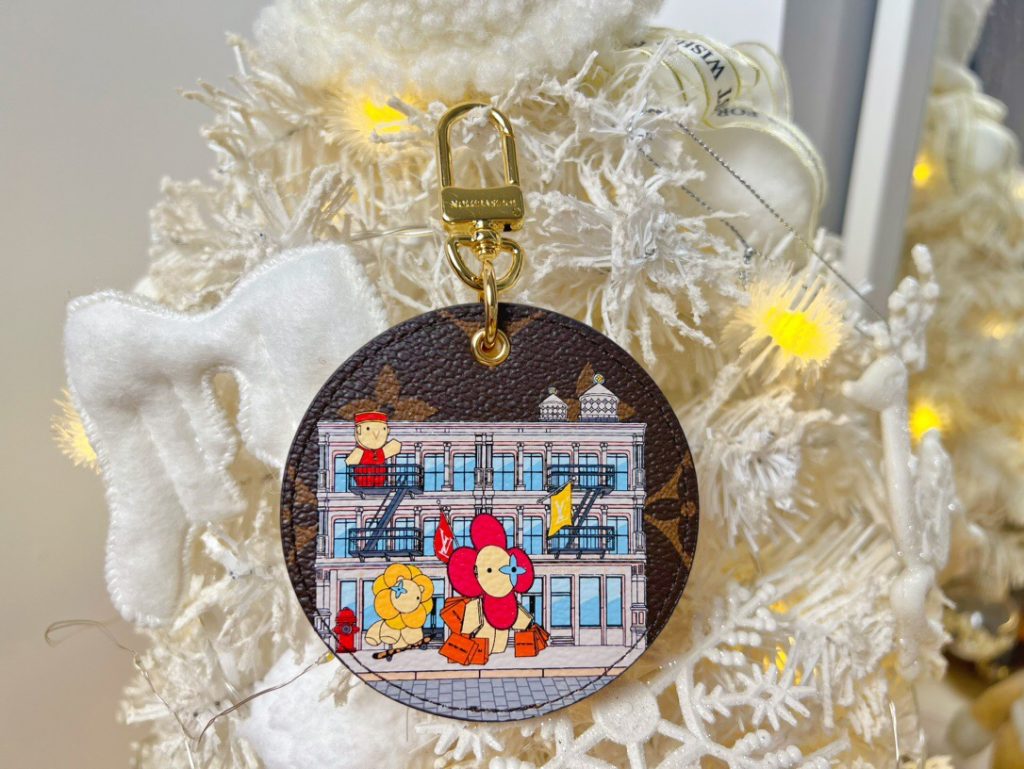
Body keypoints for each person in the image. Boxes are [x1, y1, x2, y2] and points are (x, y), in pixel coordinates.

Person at [345, 411, 402, 487]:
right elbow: (350, 461)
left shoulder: (381, 451)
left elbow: (395, 447)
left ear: (388, 430)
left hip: (379, 481)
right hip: (364, 481)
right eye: (368, 429)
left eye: (383, 429)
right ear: (358, 430)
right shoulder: (360, 451)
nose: (376, 433)